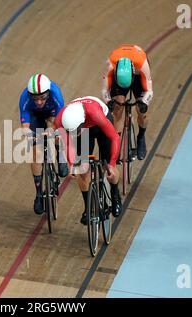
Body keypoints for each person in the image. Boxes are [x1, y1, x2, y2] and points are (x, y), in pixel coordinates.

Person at [54, 96, 122, 224]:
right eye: (72, 131)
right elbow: (68, 144)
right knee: (82, 169)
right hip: (84, 131)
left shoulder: (95, 113)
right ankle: (88, 208)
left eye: (76, 130)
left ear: (82, 121)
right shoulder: (60, 120)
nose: (74, 133)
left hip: (100, 123)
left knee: (109, 169)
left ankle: (114, 194)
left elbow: (114, 138)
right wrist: (72, 164)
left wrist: (112, 164)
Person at [19, 73, 68, 214]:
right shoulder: (25, 98)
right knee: (36, 153)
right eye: (36, 98)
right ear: (30, 95)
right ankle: (39, 193)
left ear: (48, 93)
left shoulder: (56, 94)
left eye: (42, 98)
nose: (39, 101)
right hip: (34, 116)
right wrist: (30, 135)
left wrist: (51, 131)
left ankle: (60, 155)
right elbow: (25, 126)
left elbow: (60, 122)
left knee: (57, 130)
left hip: (52, 113)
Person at [102, 44, 153, 160]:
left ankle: (141, 136)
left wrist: (144, 102)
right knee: (117, 108)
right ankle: (116, 141)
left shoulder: (142, 65)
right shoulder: (110, 64)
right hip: (120, 79)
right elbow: (105, 90)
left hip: (138, 77)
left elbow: (149, 91)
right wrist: (109, 101)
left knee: (142, 111)